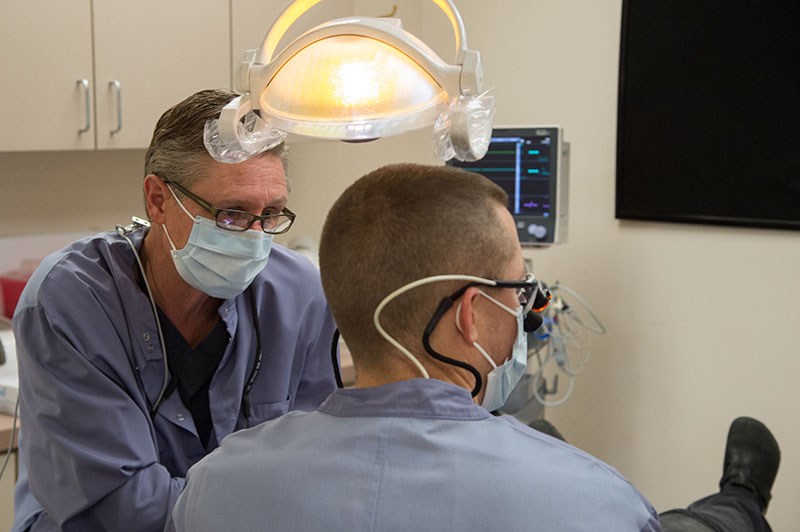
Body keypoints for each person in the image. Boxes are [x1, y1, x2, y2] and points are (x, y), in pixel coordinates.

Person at [169, 163, 781, 532]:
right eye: (518, 289)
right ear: (468, 313)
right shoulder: (591, 502)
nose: (523, 307)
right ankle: (742, 500)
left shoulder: (215, 487)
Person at [11, 89, 337, 532]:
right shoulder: (72, 300)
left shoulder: (299, 296)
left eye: (271, 214)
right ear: (158, 201)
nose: (255, 237)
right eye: (231, 215)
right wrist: (266, 505)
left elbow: (319, 468)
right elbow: (120, 509)